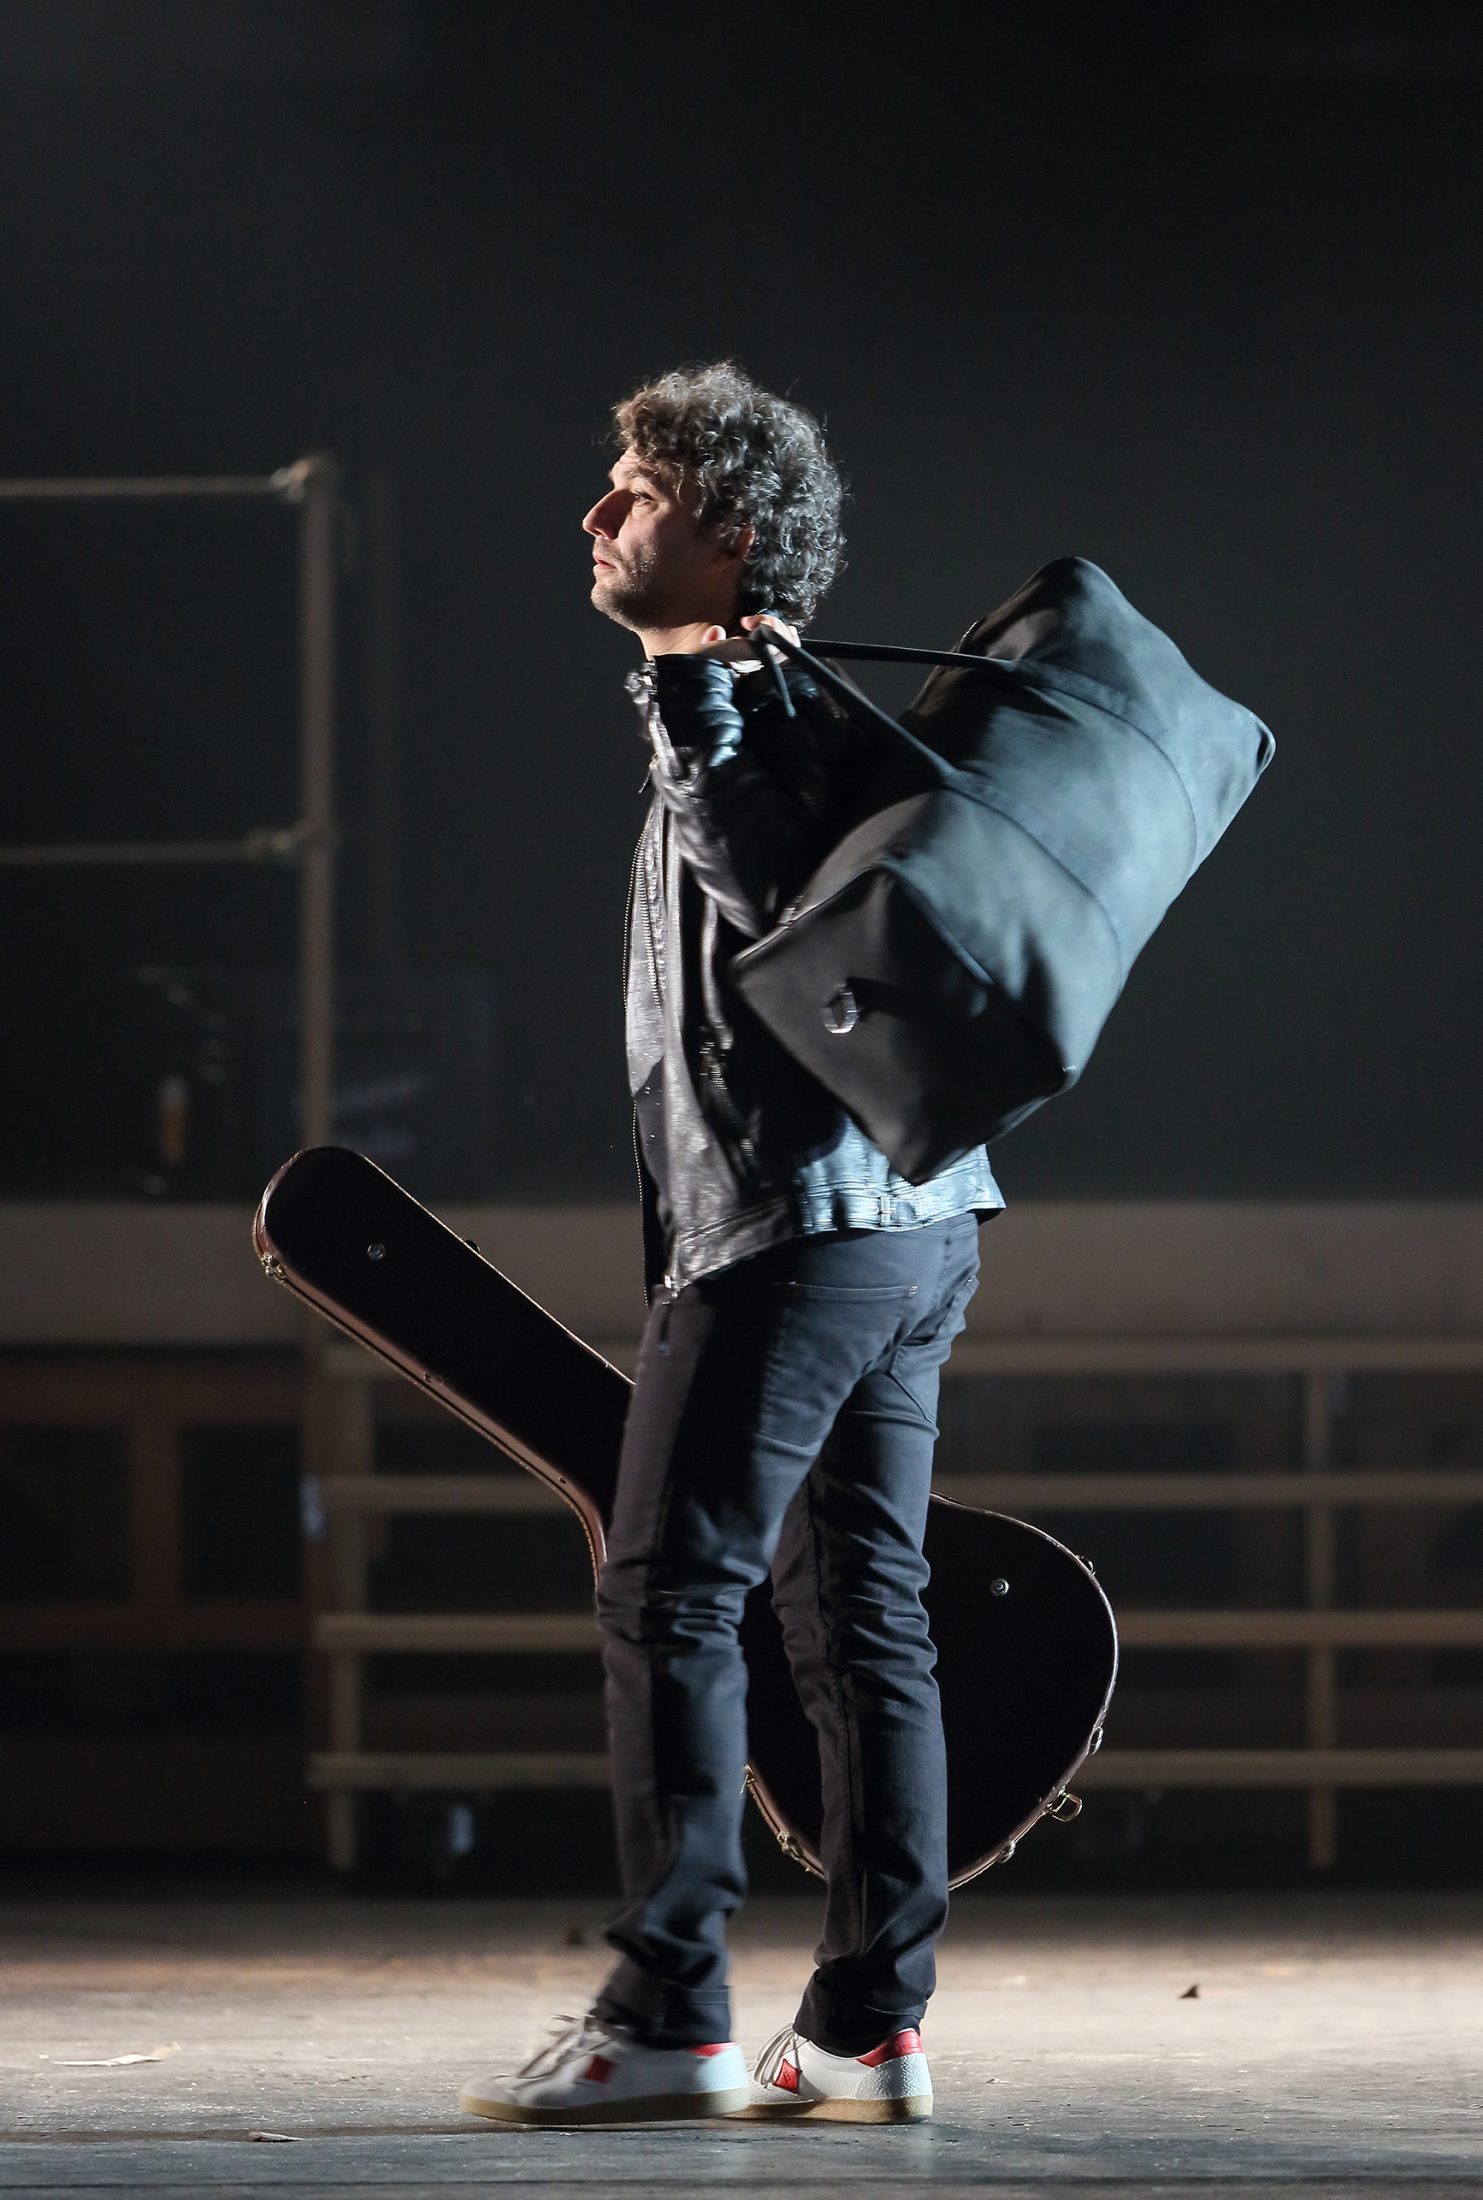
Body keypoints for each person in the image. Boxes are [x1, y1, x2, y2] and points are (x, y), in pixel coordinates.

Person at [460, 363, 1002, 2128]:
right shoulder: (806, 713)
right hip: (911, 1223)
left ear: (737, 537)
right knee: (862, 1618)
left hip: (798, 1229)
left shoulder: (750, 711)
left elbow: (775, 912)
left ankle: (670, 2007)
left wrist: (688, 693)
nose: (599, 511)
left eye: (639, 487)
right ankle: (868, 2025)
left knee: (669, 1588)